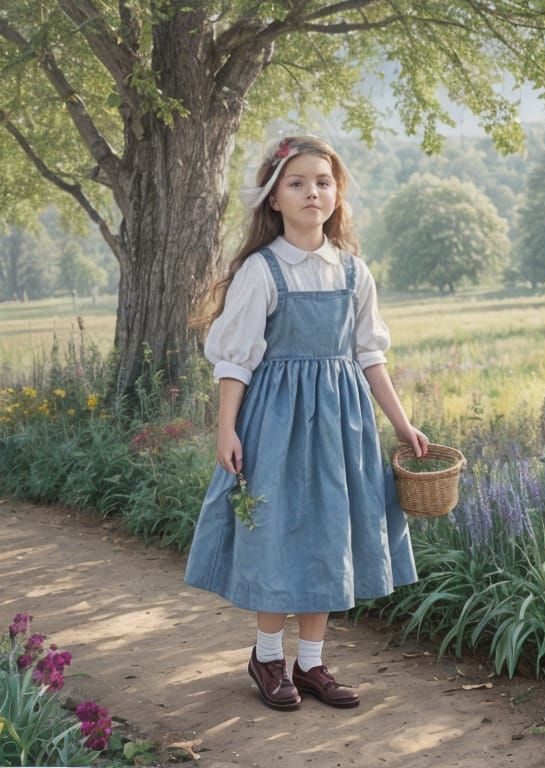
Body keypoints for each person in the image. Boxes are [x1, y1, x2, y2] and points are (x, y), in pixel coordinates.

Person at [184, 135, 428, 711]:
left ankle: (312, 663)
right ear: (274, 199)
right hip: (274, 423)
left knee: (327, 536)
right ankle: (268, 656)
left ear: (337, 193)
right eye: (297, 183)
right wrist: (227, 429)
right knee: (277, 533)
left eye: (323, 181)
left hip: (341, 428)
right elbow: (236, 359)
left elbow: (370, 355)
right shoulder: (261, 272)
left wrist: (401, 424)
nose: (312, 192)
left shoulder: (351, 272)